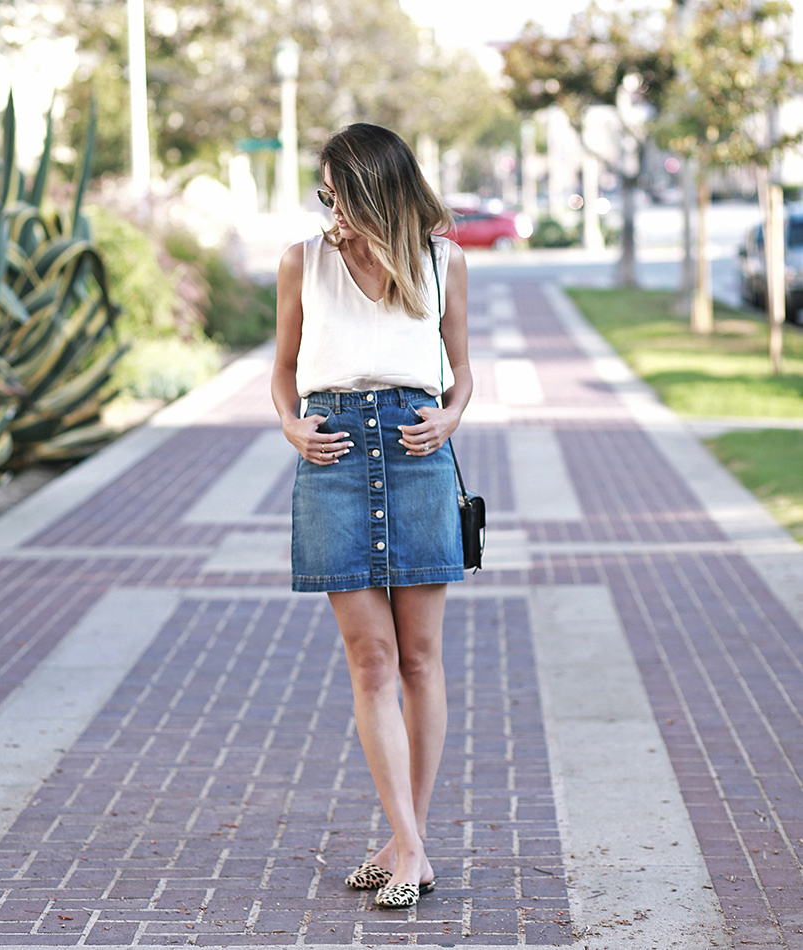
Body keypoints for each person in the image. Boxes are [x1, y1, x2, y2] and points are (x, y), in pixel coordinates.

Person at [270, 123, 472, 910]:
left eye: (340, 193)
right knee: (372, 661)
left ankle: (404, 843)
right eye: (323, 194)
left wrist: (450, 421)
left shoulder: (444, 261)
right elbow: (282, 375)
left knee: (421, 659)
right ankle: (412, 847)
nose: (330, 209)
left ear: (374, 190)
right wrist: (291, 427)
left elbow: (461, 377)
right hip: (333, 460)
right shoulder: (303, 262)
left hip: (419, 456)